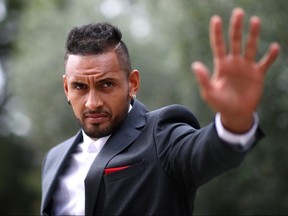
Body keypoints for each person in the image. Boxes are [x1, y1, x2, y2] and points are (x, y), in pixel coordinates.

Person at [40, 8, 279, 215]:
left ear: (132, 83)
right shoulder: (54, 159)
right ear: (66, 88)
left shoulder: (161, 134)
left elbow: (205, 151)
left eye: (107, 84)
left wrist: (234, 121)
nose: (92, 103)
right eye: (80, 87)